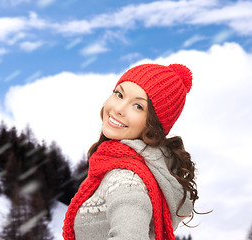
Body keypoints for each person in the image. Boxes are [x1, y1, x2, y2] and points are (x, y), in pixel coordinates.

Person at [62, 63, 199, 240]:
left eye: (138, 106)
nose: (119, 109)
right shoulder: (125, 167)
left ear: (154, 125)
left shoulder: (127, 181)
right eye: (119, 94)